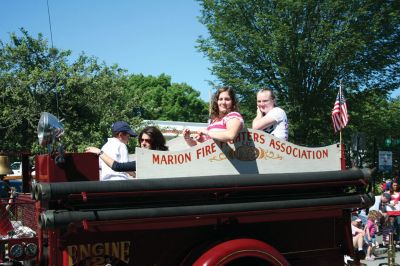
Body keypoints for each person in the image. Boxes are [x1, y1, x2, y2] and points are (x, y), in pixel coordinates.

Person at [86, 126, 168, 173]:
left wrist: (99, 152)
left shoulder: (149, 159)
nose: (143, 143)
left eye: (147, 141)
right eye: (141, 140)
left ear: (156, 142)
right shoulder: (166, 157)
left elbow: (118, 167)